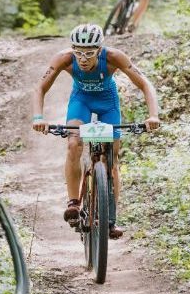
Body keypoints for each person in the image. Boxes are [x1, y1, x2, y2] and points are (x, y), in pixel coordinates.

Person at [31, 24, 160, 239]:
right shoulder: (64, 58)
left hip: (108, 104)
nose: (82, 58)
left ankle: (110, 219)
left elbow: (145, 84)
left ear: (99, 50)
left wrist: (153, 115)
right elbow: (39, 88)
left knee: (112, 159)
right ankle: (73, 203)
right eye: (78, 52)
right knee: (73, 143)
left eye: (89, 53)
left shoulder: (114, 57)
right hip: (81, 101)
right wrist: (38, 118)